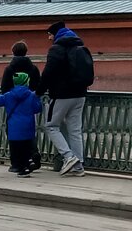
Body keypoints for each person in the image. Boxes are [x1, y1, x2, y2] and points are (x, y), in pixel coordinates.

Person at [39, 20, 94, 176]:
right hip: (80, 94)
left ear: (55, 34)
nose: (49, 38)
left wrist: (39, 91)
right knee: (75, 130)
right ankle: (79, 166)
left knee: (51, 126)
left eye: (50, 35)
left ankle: (69, 157)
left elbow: (48, 73)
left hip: (61, 95)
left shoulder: (56, 49)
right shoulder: (80, 47)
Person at [0, 72, 42, 177]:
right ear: (26, 82)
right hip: (28, 127)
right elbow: (37, 109)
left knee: (16, 150)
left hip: (13, 128)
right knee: (27, 148)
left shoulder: (8, 96)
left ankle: (19, 167)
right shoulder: (31, 95)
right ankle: (29, 162)